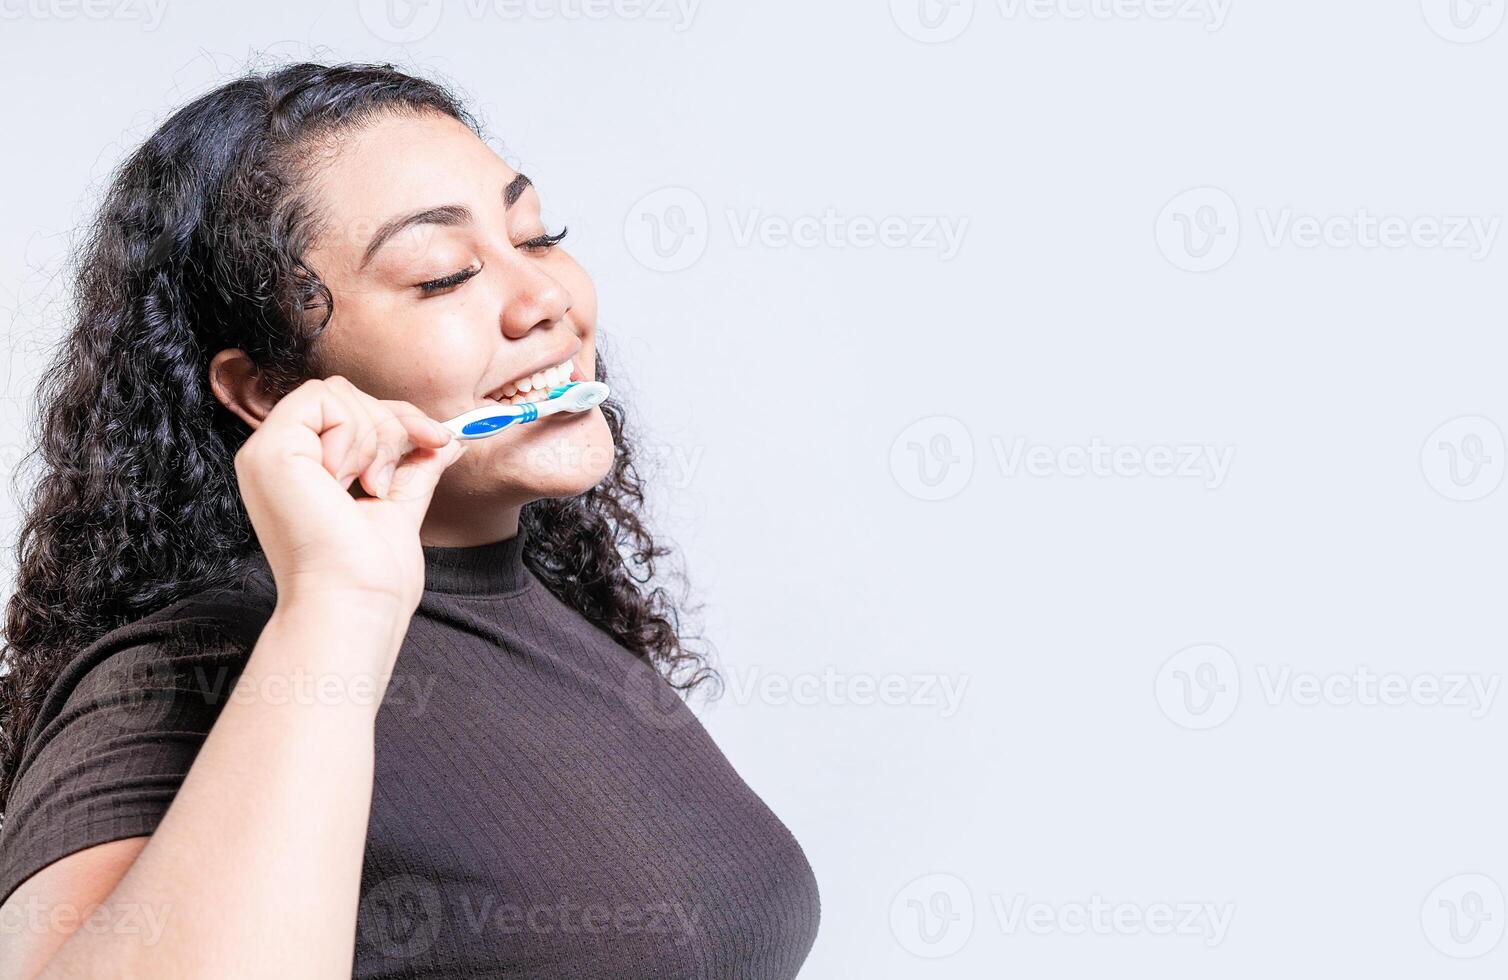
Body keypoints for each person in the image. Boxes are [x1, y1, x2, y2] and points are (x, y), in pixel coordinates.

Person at [0, 62, 820, 978]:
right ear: (270, 390)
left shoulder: (563, 619)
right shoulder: (178, 676)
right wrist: (340, 605)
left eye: (535, 235)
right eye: (443, 274)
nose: (545, 298)